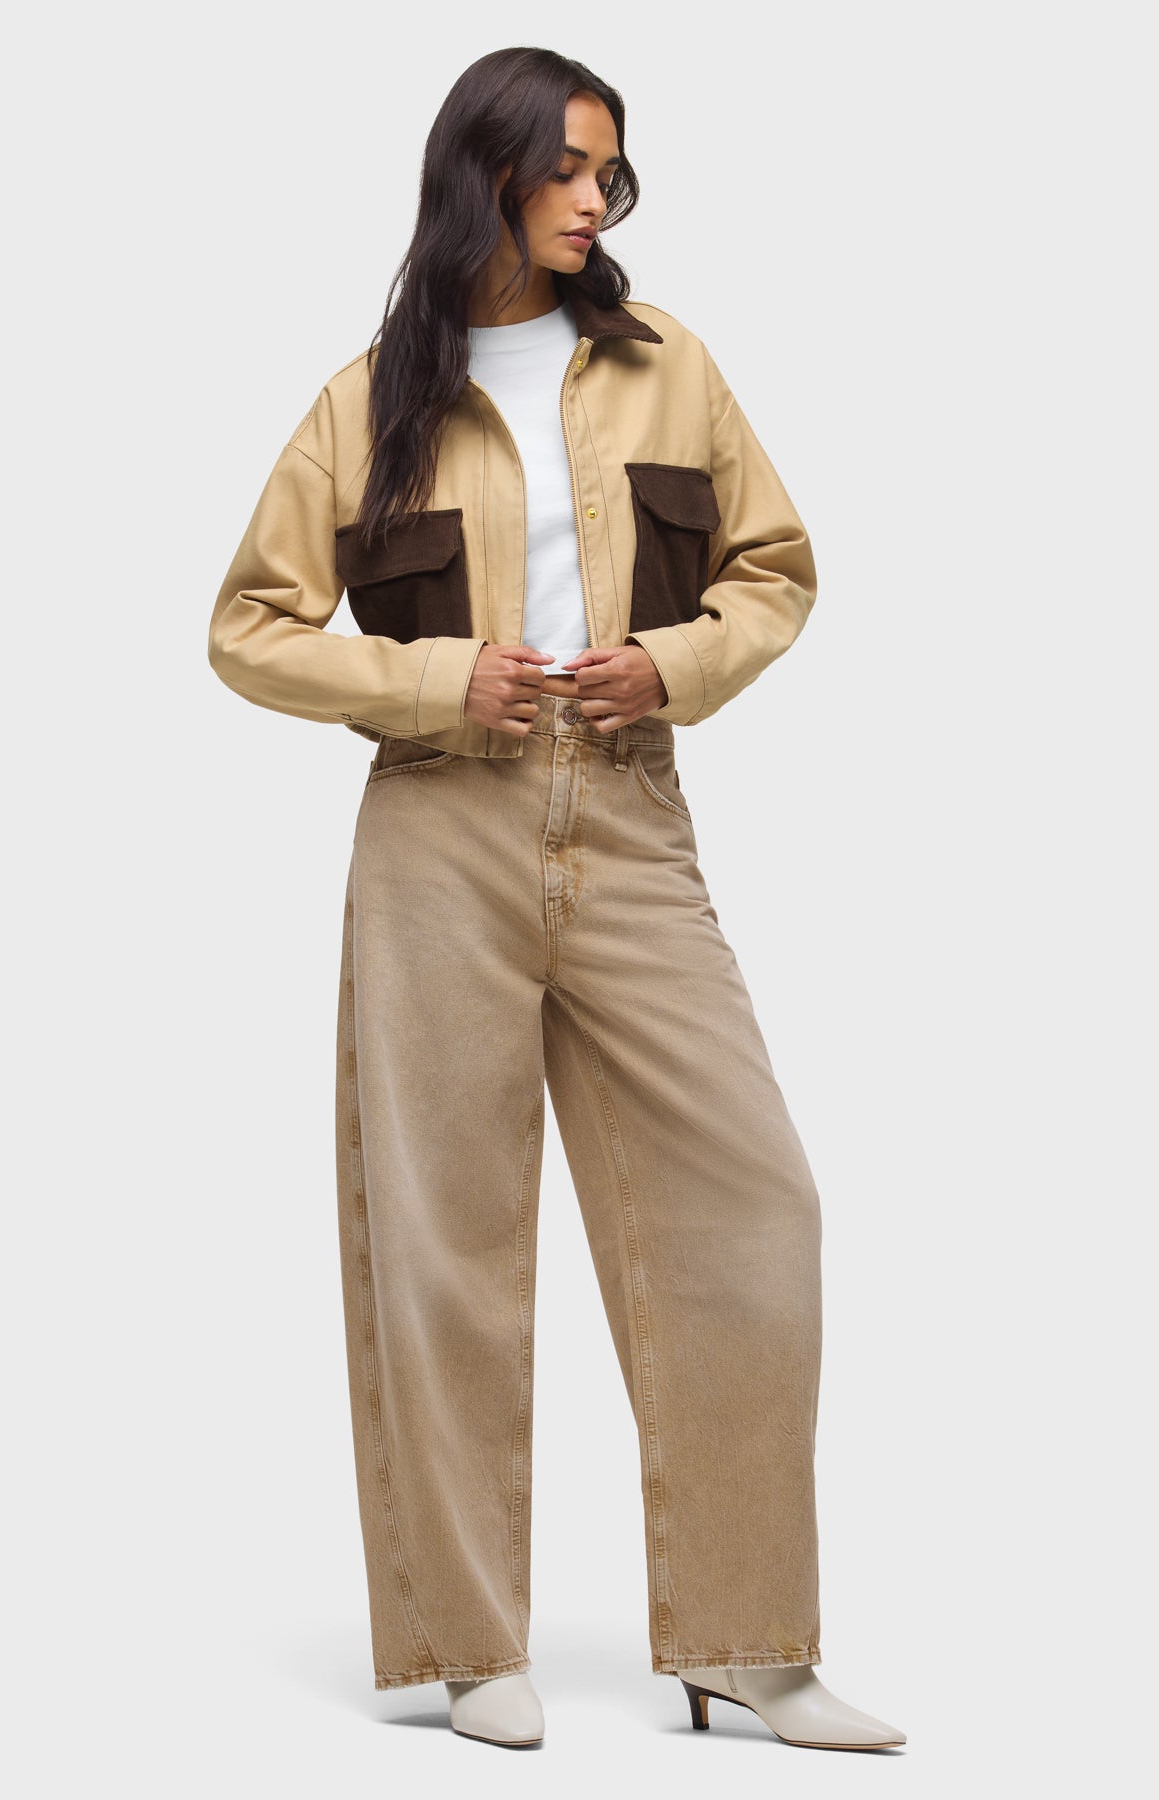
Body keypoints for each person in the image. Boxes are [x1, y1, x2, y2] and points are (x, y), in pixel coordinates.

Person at [208, 45, 907, 1754]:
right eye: (570, 169)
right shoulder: (368, 402)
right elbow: (250, 627)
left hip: (634, 817)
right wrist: (436, 679)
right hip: (436, 834)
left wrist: (669, 664)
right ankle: (467, 1644)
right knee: (446, 1243)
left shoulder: (669, 367)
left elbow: (775, 571)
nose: (598, 198)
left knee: (756, 1207)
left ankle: (748, 1642)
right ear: (489, 177)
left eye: (613, 171)